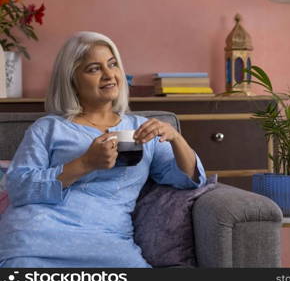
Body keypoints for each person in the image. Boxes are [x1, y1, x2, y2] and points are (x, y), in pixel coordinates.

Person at [0, 31, 206, 267]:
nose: (109, 75)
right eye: (94, 69)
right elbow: (18, 188)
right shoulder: (48, 128)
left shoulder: (141, 129)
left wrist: (176, 139)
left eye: (112, 64)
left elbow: (188, 179)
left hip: (108, 243)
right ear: (72, 81)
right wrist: (84, 164)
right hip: (37, 241)